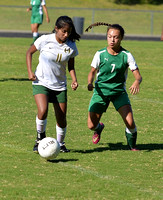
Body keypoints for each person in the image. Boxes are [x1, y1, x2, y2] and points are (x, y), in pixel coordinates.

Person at [26, 16, 80, 153]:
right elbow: (29, 53)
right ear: (56, 29)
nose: (66, 34)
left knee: (61, 118)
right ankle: (39, 139)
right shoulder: (45, 40)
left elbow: (71, 66)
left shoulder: (71, 45)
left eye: (68, 32)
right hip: (41, 82)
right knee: (43, 111)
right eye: (63, 31)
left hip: (60, 85)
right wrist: (30, 72)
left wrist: (74, 79)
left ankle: (61, 144)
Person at [86, 23, 142, 151]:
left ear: (121, 38)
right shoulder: (99, 54)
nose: (112, 39)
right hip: (101, 93)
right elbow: (92, 72)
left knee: (130, 122)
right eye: (109, 36)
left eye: (116, 37)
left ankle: (132, 146)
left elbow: (138, 76)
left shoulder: (127, 55)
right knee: (91, 125)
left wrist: (136, 82)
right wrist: (90, 83)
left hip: (118, 93)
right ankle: (99, 128)